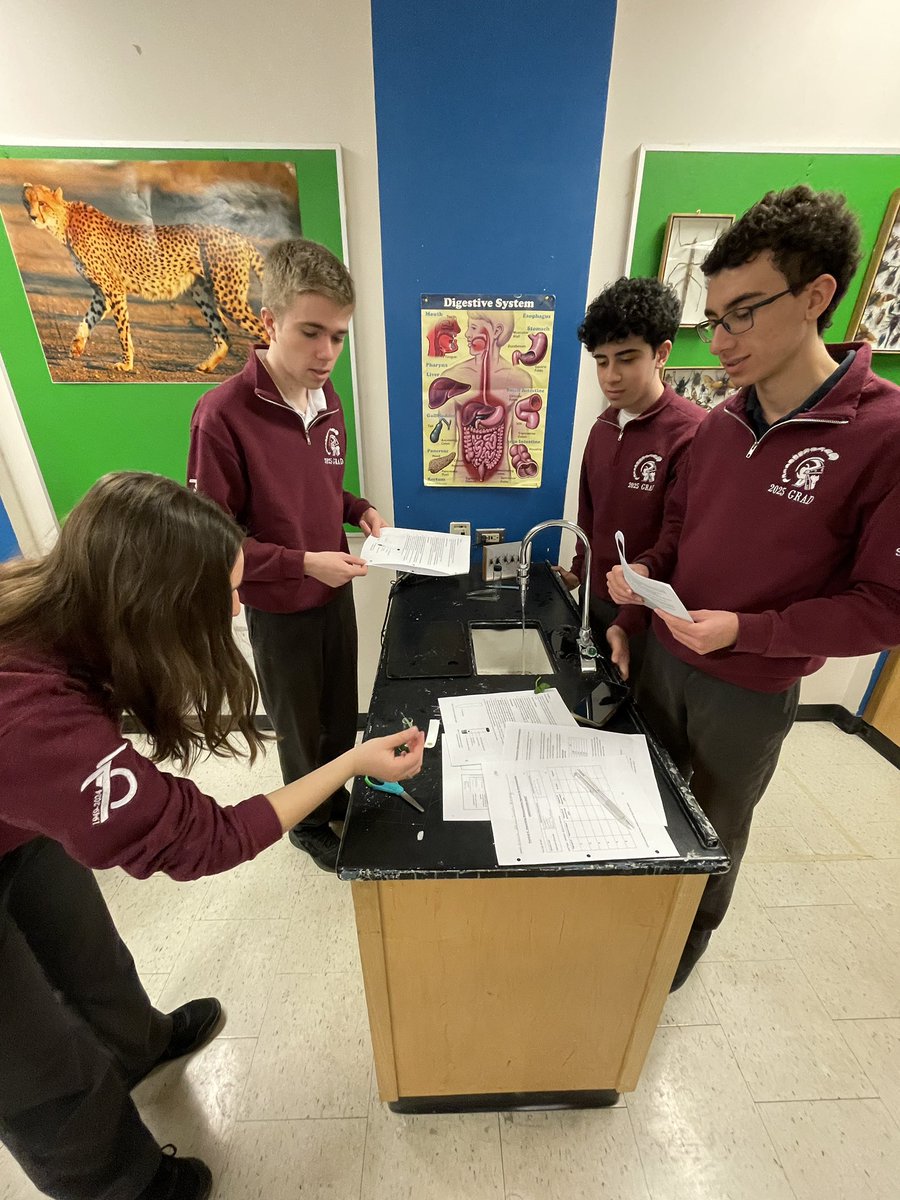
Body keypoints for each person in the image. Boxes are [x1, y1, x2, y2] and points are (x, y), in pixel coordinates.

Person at [0, 472, 424, 1200]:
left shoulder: (60, 596)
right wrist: (350, 761)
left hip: (12, 820)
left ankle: (139, 1046)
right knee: (34, 1062)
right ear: (155, 600)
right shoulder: (36, 722)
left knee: (79, 942)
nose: (236, 606)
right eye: (222, 593)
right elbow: (206, 839)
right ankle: (122, 1184)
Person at [608, 185, 900, 989]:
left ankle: (684, 948)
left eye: (743, 312)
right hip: (666, 660)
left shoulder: (882, 433)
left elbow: (885, 607)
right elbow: (679, 535)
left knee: (715, 827)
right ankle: (637, 918)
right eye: (715, 317)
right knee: (647, 804)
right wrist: (644, 582)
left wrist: (751, 632)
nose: (722, 338)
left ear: (816, 297)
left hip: (750, 686)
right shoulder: (720, 424)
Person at [188, 238, 388, 872]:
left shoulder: (327, 402)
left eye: (338, 335)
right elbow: (213, 541)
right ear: (269, 322)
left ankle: (336, 791)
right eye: (311, 333)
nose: (327, 353)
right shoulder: (221, 415)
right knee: (298, 724)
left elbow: (321, 487)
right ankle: (305, 824)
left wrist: (358, 510)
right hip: (280, 603)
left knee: (336, 711)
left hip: (336, 590)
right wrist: (304, 563)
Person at [554, 277, 704, 681]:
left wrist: (632, 614)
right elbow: (592, 515)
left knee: (641, 721)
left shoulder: (691, 434)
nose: (611, 376)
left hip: (653, 615)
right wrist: (577, 571)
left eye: (627, 358)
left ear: (661, 353)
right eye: (602, 361)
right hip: (595, 600)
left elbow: (679, 537)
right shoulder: (603, 426)